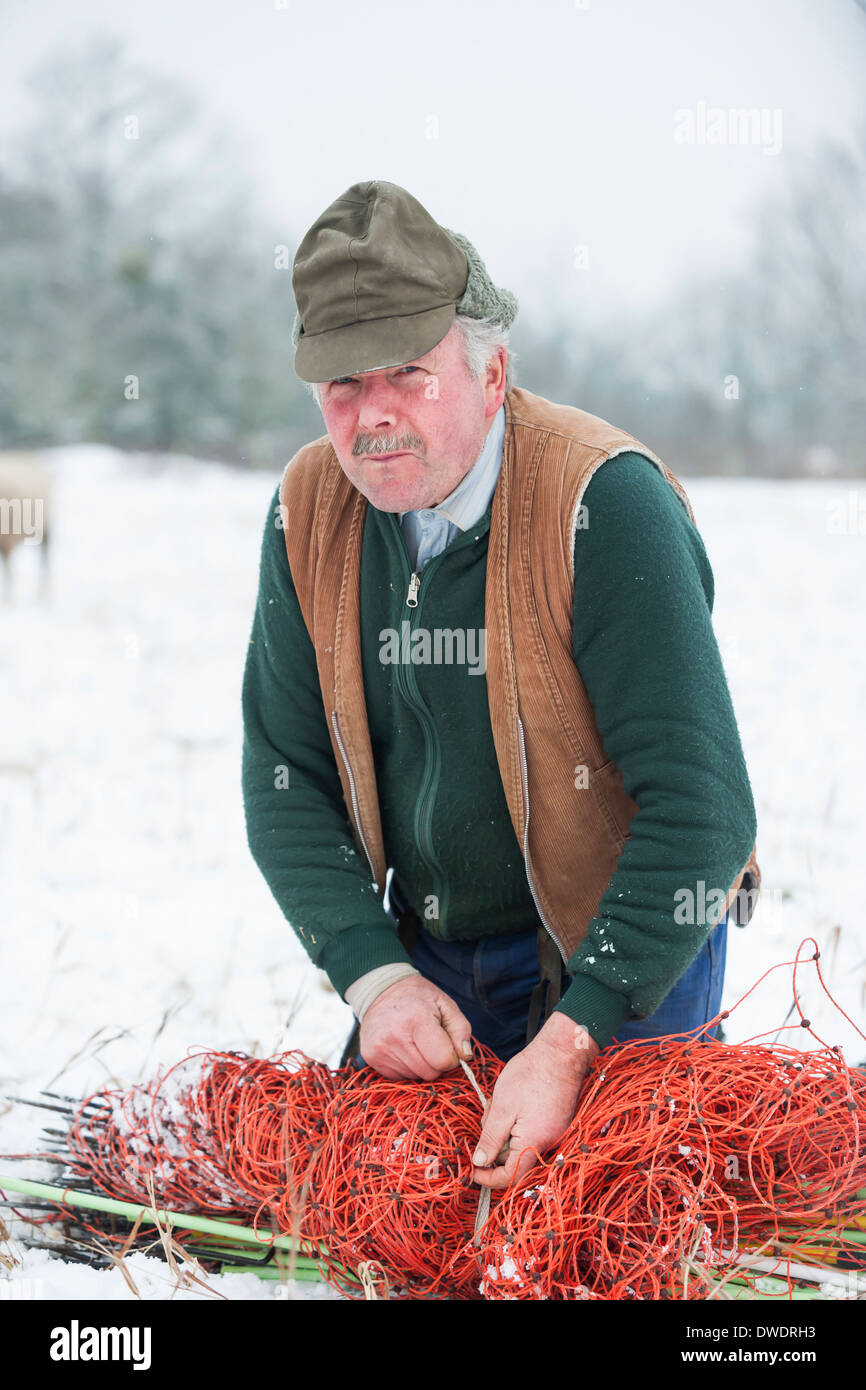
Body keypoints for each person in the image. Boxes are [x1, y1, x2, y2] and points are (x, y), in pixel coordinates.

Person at [241, 179, 761, 1192]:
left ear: (491, 371)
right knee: (385, 1211)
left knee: (599, 1220)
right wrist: (373, 975)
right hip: (433, 951)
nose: (373, 414)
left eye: (406, 372)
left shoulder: (603, 503)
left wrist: (574, 1038)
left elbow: (703, 808)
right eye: (343, 384)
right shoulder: (306, 509)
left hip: (621, 942)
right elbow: (283, 775)